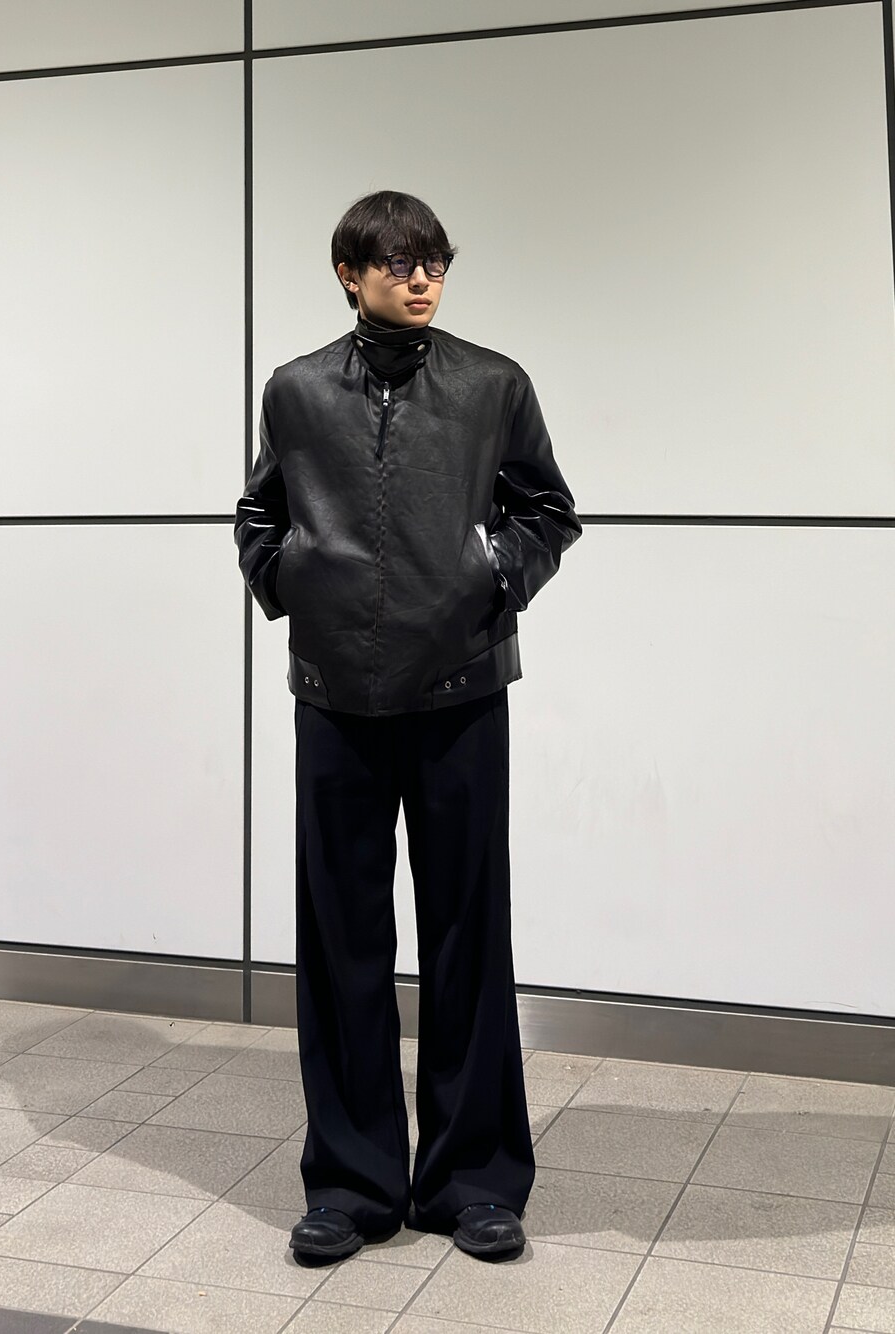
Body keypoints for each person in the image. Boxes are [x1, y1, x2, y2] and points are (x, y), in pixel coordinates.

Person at [234, 190, 581, 1267]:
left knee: (468, 934)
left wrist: (490, 576)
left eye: (433, 261)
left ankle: (473, 1182)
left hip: (460, 691)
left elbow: (548, 509)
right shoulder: (296, 389)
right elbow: (258, 514)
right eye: (397, 263)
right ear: (351, 275)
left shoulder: (493, 383)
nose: (421, 278)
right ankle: (350, 1184)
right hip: (333, 694)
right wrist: (291, 580)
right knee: (341, 940)